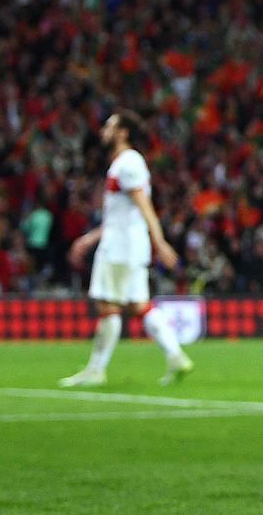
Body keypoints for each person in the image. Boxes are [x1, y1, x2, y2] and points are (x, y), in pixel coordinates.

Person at [60, 110, 190, 388]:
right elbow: (122, 216)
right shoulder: (124, 163)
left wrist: (160, 242)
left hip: (120, 249)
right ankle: (176, 356)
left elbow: (144, 207)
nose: (103, 131)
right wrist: (90, 239)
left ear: (123, 133)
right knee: (139, 305)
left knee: (108, 306)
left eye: (109, 127)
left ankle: (96, 370)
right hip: (126, 245)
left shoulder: (128, 163)